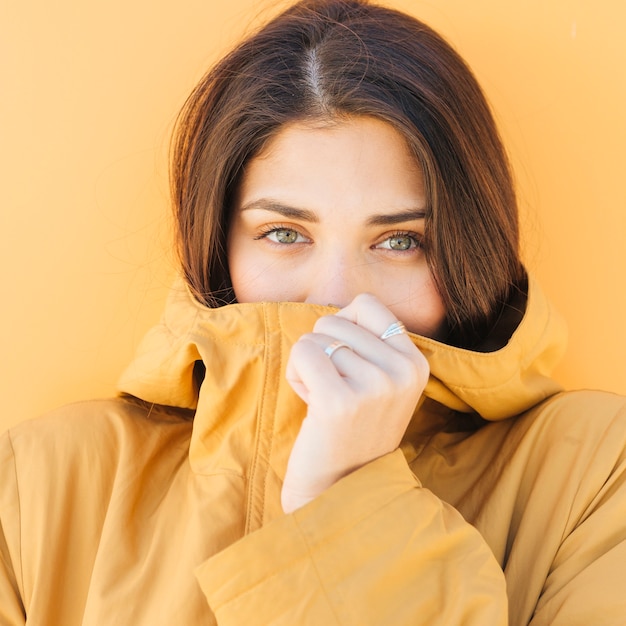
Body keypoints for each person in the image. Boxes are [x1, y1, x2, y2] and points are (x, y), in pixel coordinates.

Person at [1, 0, 624, 624]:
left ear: (467, 247)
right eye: (283, 233)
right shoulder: (38, 488)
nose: (339, 297)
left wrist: (348, 505)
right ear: (218, 246)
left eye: (401, 241)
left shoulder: (595, 477)